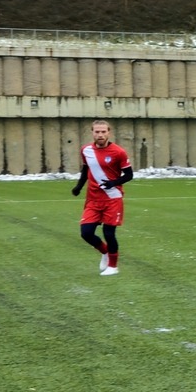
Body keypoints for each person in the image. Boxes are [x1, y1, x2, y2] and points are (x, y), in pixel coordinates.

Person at [72, 119, 132, 277]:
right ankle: (105, 252)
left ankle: (113, 266)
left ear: (108, 133)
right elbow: (86, 170)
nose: (100, 134)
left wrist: (114, 182)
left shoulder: (118, 152)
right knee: (86, 233)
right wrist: (78, 187)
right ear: (92, 133)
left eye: (103, 132)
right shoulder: (86, 150)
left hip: (112, 198)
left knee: (109, 233)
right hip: (93, 199)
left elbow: (129, 175)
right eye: (97, 132)